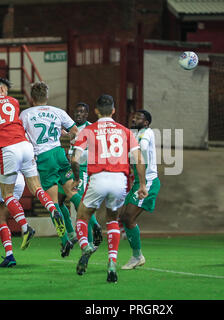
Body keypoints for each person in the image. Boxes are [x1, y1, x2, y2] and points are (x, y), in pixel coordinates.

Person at [0, 77, 66, 248]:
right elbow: (7, 124)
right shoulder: (13, 102)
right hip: (26, 147)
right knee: (36, 188)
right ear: (3, 90)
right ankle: (52, 209)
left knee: (7, 194)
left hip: (9, 151)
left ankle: (26, 227)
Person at [71, 94, 148, 283]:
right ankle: (112, 261)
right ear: (113, 111)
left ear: (96, 111)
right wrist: (143, 184)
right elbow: (139, 159)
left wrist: (75, 179)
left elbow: (74, 159)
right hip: (119, 180)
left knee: (82, 215)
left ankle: (85, 246)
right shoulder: (125, 131)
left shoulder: (88, 130)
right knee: (113, 219)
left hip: (98, 177)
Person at [19, 81, 79, 257]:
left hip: (44, 159)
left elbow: (21, 137)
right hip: (60, 154)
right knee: (72, 194)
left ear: (31, 97)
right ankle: (87, 230)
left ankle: (64, 241)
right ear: (47, 96)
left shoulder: (25, 114)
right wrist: (68, 138)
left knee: (53, 204)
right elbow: (75, 131)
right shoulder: (57, 112)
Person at [119, 110, 160, 270]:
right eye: (133, 116)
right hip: (139, 181)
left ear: (146, 122)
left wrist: (142, 184)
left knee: (128, 217)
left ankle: (137, 256)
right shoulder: (134, 134)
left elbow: (141, 152)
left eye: (139, 117)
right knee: (125, 217)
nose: (134, 118)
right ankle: (137, 256)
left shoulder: (146, 133)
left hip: (147, 182)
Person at [59, 102, 102, 248]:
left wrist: (73, 155)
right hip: (71, 169)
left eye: (82, 112)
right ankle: (71, 233)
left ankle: (91, 237)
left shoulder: (91, 129)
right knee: (58, 201)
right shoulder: (73, 129)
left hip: (83, 169)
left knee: (81, 207)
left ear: (87, 114)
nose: (78, 114)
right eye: (76, 111)